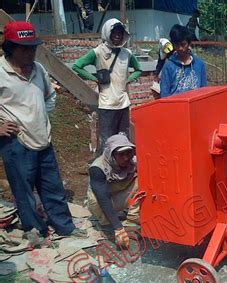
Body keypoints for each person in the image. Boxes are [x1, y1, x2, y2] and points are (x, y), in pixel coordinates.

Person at [0, 21, 83, 238]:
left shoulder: (39, 70)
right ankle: (35, 229)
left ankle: (65, 226)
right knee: (24, 191)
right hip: (16, 142)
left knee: (53, 187)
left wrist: (41, 118)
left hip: (42, 138)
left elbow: (50, 96)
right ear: (10, 47)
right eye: (24, 48)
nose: (30, 52)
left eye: (33, 47)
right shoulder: (1, 71)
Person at [72, 18, 142, 155]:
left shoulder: (127, 54)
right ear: (107, 34)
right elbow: (77, 66)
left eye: (120, 33)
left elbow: (138, 69)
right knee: (107, 142)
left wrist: (128, 80)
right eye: (114, 33)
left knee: (123, 141)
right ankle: (104, 169)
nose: (117, 36)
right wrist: (94, 79)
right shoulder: (97, 52)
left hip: (123, 103)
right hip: (107, 105)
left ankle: (121, 170)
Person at [87, 134, 139, 248]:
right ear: (111, 153)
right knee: (94, 200)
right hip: (105, 199)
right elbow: (103, 199)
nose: (126, 158)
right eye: (121, 154)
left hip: (122, 192)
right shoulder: (98, 168)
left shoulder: (133, 161)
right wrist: (118, 228)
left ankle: (132, 222)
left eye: (128, 153)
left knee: (142, 183)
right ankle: (107, 224)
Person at [160, 25, 207, 98]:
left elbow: (204, 91)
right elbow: (164, 95)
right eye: (177, 45)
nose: (180, 48)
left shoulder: (199, 64)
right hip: (176, 107)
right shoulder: (168, 66)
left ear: (189, 43)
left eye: (183, 44)